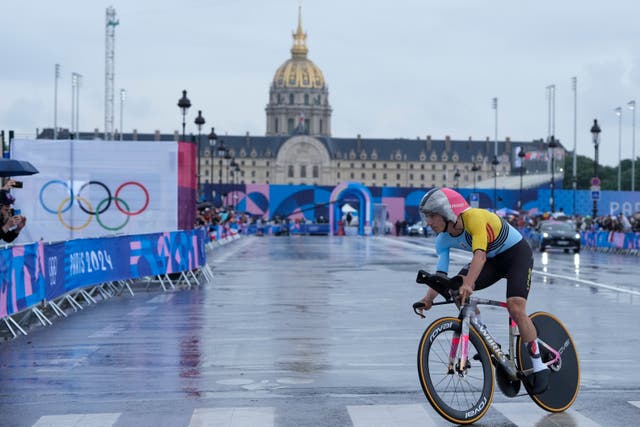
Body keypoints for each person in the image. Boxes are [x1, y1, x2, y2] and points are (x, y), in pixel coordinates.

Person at [415, 187, 548, 394]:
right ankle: (485, 338)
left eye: (431, 216)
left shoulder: (474, 218)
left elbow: (480, 256)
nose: (428, 222)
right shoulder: (442, 240)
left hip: (516, 255)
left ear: (447, 212)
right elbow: (441, 276)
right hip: (493, 260)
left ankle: (538, 364)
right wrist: (428, 298)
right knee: (456, 289)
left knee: (515, 306)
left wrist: (469, 283)